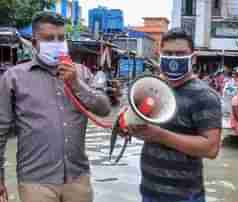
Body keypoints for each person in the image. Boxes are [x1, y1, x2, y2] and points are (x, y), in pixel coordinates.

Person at [0, 12, 111, 202]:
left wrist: (76, 83)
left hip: (78, 178)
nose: (57, 43)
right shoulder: (13, 78)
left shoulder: (82, 73)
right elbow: (1, 129)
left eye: (61, 38)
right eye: (49, 39)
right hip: (35, 182)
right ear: (35, 43)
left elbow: (104, 109)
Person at [121, 28, 222, 202]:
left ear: (193, 57)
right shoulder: (152, 88)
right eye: (168, 53)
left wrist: (160, 135)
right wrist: (128, 127)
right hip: (149, 191)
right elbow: (144, 129)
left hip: (184, 196)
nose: (174, 58)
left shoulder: (205, 96)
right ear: (159, 55)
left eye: (180, 53)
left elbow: (211, 148)